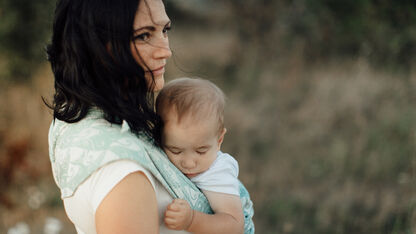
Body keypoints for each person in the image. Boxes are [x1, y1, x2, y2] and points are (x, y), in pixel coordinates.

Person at [46, 0, 213, 233]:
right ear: (94, 44)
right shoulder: (122, 171)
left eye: (164, 30)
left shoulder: (74, 120)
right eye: (143, 36)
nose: (166, 50)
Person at [156, 78, 255, 233]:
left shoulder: (218, 172)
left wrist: (191, 220)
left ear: (219, 140)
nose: (189, 163)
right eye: (175, 150)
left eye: (201, 151)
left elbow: (234, 225)